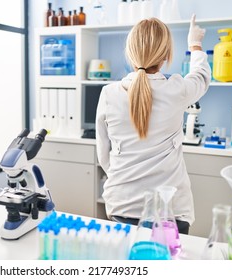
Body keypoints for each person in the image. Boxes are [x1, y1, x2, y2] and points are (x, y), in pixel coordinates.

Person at [95, 15, 210, 234]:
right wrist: (195, 44)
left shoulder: (109, 93)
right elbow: (201, 77)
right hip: (171, 209)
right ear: (166, 55)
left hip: (123, 203)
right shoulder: (177, 88)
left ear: (130, 53)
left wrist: (124, 178)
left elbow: (103, 153)